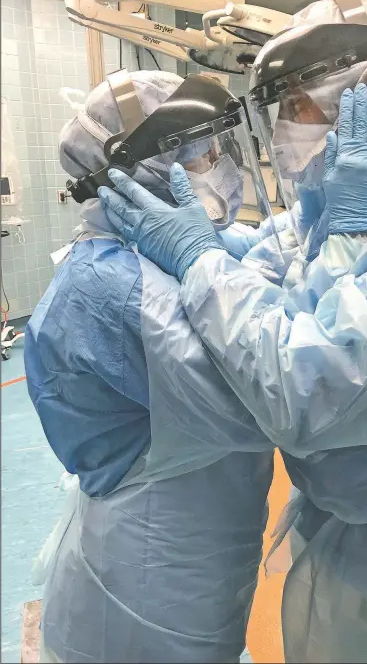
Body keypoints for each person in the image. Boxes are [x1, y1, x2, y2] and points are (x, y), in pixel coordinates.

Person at [100, 0, 367, 663]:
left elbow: (314, 393)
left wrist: (199, 258)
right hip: (343, 516)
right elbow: (277, 255)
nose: (281, 132)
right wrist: (202, 242)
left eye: (295, 107)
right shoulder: (351, 193)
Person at [24, 69, 293, 663]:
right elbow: (276, 396)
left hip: (184, 573)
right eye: (202, 154)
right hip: (143, 597)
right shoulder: (115, 292)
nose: (221, 165)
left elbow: (236, 267)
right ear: (138, 169)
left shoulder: (151, 257)